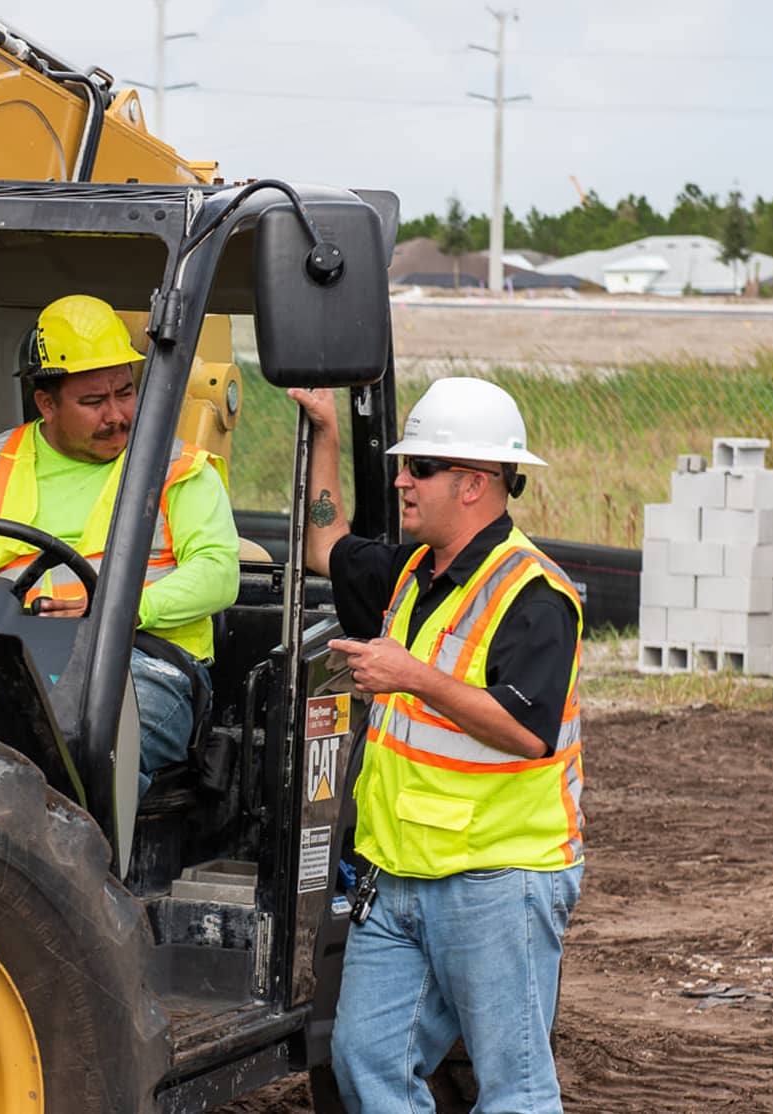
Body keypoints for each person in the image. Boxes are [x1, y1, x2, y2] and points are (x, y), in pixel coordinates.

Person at [287, 376, 584, 1114]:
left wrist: (412, 676)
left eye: (419, 467)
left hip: (496, 880)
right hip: (399, 876)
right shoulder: (413, 572)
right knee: (366, 1061)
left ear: (475, 483)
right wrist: (326, 431)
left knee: (514, 1088)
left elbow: (526, 731)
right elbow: (325, 544)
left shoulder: (533, 594)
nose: (401, 481)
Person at [0, 294, 240, 796]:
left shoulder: (179, 469)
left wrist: (117, 610)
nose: (117, 415)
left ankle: (90, 848)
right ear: (46, 403)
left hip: (144, 664)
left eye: (125, 392)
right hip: (15, 659)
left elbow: (218, 573)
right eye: (94, 402)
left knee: (74, 742)